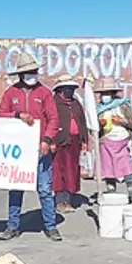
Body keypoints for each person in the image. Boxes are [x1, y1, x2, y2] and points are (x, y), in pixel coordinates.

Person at [0, 54, 62, 241]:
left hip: (41, 149)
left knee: (45, 189)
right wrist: (17, 115)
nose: (33, 74)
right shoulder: (11, 93)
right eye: (29, 72)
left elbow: (54, 118)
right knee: (16, 188)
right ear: (21, 74)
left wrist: (47, 140)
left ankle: (50, 225)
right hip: (18, 152)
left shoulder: (45, 93)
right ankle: (13, 225)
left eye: (35, 71)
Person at [95, 78, 132, 204]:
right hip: (106, 142)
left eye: (108, 93)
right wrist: (100, 124)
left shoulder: (123, 106)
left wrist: (121, 121)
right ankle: (111, 194)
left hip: (122, 142)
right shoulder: (98, 109)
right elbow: (94, 129)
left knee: (127, 169)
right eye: (103, 93)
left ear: (113, 94)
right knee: (108, 169)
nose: (106, 96)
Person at [51, 74, 88, 213]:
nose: (70, 91)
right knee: (59, 172)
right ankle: (59, 201)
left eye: (72, 89)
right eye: (67, 88)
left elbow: (82, 122)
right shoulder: (54, 103)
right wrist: (51, 141)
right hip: (59, 142)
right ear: (60, 90)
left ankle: (68, 200)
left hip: (74, 142)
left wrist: (84, 140)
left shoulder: (76, 103)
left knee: (71, 171)